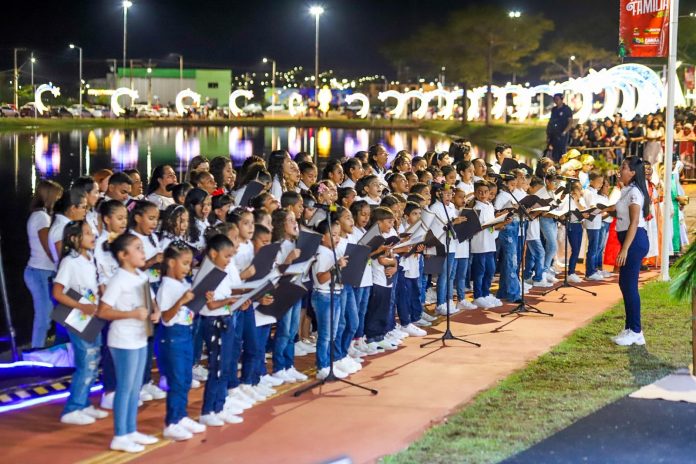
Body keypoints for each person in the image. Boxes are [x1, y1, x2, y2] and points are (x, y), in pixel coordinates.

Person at [97, 233, 161, 453]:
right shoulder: (119, 279)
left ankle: (131, 429)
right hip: (123, 339)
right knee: (125, 387)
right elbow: (103, 310)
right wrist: (131, 313)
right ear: (123, 255)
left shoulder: (140, 277)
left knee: (135, 388)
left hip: (140, 337)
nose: (143, 253)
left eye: (142, 248)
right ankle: (120, 434)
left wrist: (156, 312)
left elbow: (151, 301)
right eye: (137, 248)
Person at [54, 220, 108, 425]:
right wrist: (81, 306)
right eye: (87, 233)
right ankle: (73, 408)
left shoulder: (90, 258)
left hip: (92, 316)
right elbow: (57, 292)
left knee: (93, 360)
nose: (92, 235)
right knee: (86, 361)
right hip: (78, 317)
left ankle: (84, 403)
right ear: (74, 238)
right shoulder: (70, 262)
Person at [609, 157, 650, 346]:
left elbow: (634, 222)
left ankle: (636, 331)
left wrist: (624, 249)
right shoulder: (626, 190)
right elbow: (619, 212)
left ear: (633, 172)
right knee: (625, 284)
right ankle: (630, 327)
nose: (620, 170)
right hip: (630, 240)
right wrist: (597, 210)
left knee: (629, 285)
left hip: (634, 241)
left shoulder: (634, 192)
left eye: (624, 167)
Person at [24, 180, 63, 348]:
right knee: (43, 314)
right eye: (58, 196)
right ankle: (36, 349)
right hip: (40, 272)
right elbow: (49, 248)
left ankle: (41, 346)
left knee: (48, 314)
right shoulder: (41, 217)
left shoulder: (43, 216)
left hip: (43, 272)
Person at [546, 94, 573, 162]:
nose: (556, 101)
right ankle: (556, 165)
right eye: (555, 99)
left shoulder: (567, 109)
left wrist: (565, 131)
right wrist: (549, 133)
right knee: (554, 152)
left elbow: (570, 122)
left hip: (562, 134)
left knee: (562, 151)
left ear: (561, 99)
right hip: (554, 134)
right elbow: (551, 121)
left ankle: (563, 165)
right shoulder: (554, 109)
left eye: (557, 99)